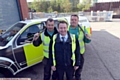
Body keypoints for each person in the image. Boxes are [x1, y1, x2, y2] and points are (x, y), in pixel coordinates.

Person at [68, 14, 91, 80]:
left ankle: (77, 77)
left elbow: (86, 40)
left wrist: (88, 38)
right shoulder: (67, 29)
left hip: (80, 53)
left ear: (78, 21)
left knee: (79, 68)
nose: (73, 21)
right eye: (72, 20)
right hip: (70, 53)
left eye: (75, 20)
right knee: (70, 68)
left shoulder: (82, 29)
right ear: (70, 20)